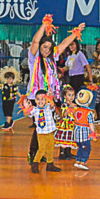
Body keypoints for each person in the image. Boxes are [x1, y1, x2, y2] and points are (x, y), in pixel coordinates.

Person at [27, 17, 84, 161]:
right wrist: (44, 25)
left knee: (48, 126)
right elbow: (35, 41)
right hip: (37, 99)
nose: (46, 50)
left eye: (49, 47)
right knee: (41, 125)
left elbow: (64, 43)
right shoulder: (34, 58)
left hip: (50, 98)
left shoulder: (52, 59)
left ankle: (41, 153)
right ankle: (34, 153)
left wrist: (76, 33)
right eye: (44, 47)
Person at [27, 89, 61, 173]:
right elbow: (27, 113)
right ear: (35, 100)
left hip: (50, 131)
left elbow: (54, 107)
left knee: (50, 148)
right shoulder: (34, 109)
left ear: (46, 100)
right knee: (42, 149)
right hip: (41, 133)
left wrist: (50, 98)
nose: (40, 101)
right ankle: (35, 164)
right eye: (38, 99)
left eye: (42, 99)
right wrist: (26, 107)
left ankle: (50, 164)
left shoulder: (48, 107)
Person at [71, 88, 95, 170]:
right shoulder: (89, 112)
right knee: (87, 148)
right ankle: (83, 162)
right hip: (85, 135)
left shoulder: (77, 110)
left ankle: (78, 160)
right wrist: (93, 132)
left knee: (80, 147)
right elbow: (91, 124)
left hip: (77, 135)